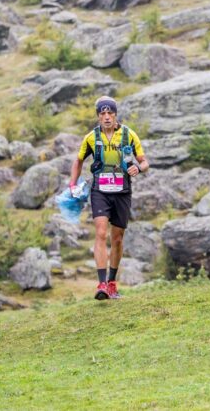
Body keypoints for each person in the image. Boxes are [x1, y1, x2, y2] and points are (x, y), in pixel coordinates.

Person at [68, 96, 149, 300]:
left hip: (122, 191)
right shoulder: (91, 138)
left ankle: (112, 283)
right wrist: (72, 184)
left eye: (110, 113)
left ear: (115, 115)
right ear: (98, 116)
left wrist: (138, 168)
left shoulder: (129, 135)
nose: (106, 117)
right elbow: (78, 161)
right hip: (100, 191)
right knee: (101, 233)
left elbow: (144, 162)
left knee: (117, 238)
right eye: (102, 113)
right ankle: (102, 284)